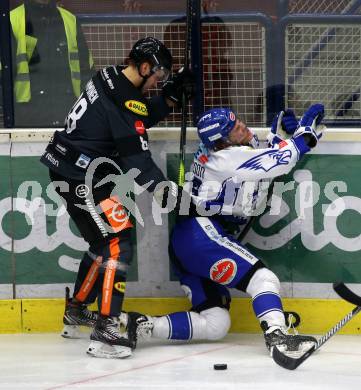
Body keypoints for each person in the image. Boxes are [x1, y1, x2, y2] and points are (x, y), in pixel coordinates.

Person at [124, 104, 325, 356]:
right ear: (221, 143)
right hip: (202, 234)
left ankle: (140, 324)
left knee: (215, 323)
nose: (240, 126)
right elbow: (282, 161)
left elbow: (256, 165)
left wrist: (279, 139)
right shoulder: (228, 159)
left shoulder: (220, 152)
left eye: (236, 121)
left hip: (188, 240)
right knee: (263, 279)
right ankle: (278, 337)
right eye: (232, 129)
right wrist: (304, 136)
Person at [40, 36, 194, 358]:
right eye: (158, 76)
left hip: (73, 169)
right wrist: (171, 197)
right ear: (144, 66)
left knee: (103, 243)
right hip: (81, 174)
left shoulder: (110, 76)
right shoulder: (124, 100)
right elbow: (138, 162)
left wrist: (167, 99)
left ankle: (77, 311)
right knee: (117, 242)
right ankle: (106, 332)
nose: (157, 82)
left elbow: (133, 117)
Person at [9, 0, 95, 127]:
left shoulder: (70, 20)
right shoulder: (12, 20)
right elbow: (4, 76)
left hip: (68, 111)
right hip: (27, 116)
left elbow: (86, 70)